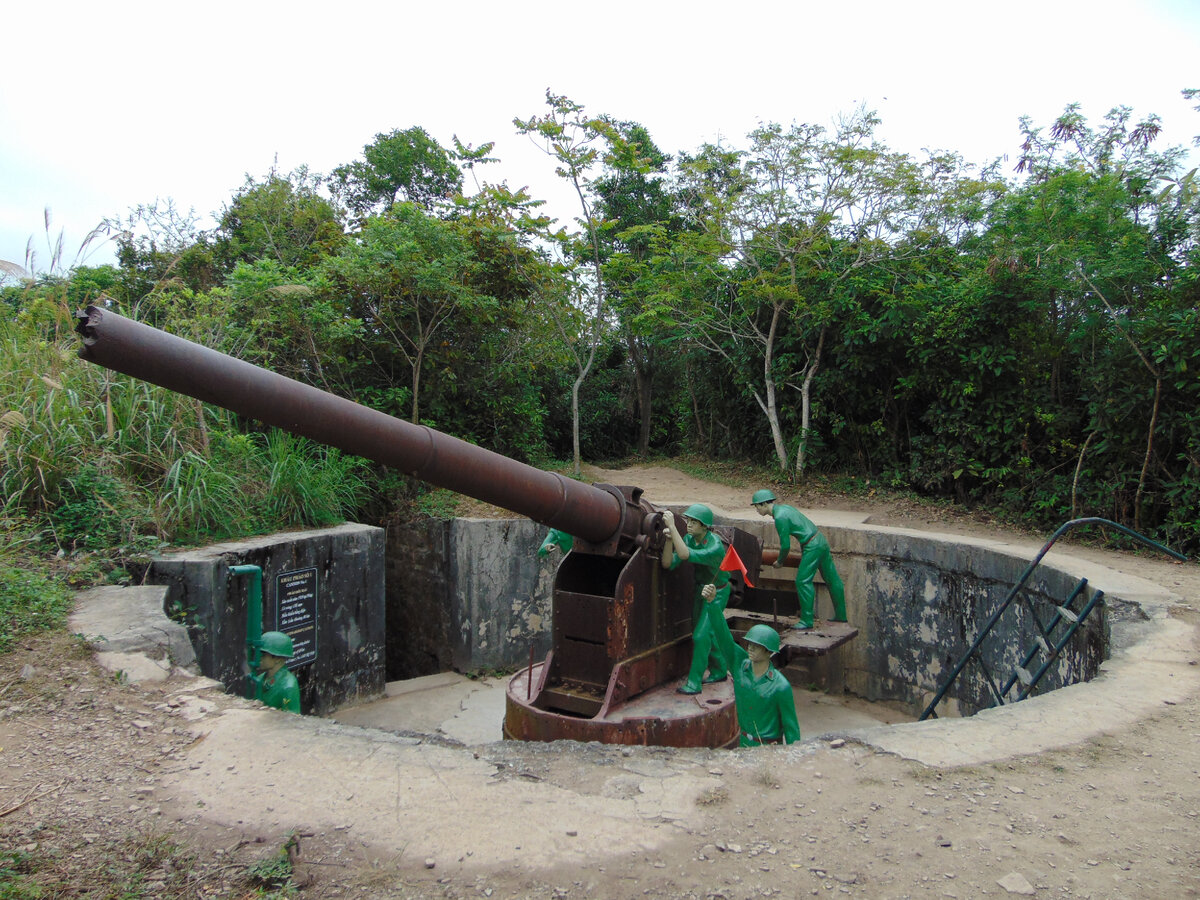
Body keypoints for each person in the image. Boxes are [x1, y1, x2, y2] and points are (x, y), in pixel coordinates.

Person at [705, 596, 800, 746]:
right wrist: (712, 604)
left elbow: (791, 729)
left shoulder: (781, 687)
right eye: (750, 643)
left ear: (769, 651)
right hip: (743, 745)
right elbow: (724, 638)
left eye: (757, 645)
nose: (750, 647)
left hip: (769, 750)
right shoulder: (740, 667)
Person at [752, 489, 847, 630]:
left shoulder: (780, 517)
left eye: (757, 506)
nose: (756, 510)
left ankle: (807, 620)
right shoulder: (785, 508)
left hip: (812, 546)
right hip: (819, 540)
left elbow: (785, 546)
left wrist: (780, 561)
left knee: (802, 581)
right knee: (832, 579)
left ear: (764, 504)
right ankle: (841, 615)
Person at [661, 503, 730, 694]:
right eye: (688, 521)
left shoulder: (715, 546)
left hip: (717, 593)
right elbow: (668, 563)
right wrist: (669, 540)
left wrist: (673, 527)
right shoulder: (689, 539)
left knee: (700, 636)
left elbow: (683, 554)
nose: (689, 525)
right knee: (705, 632)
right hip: (701, 591)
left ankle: (694, 683)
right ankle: (719, 670)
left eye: (694, 522)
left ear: (705, 526)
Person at [251, 631, 301, 713]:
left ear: (277, 659)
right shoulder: (260, 679)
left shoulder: (288, 686)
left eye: (263, 654)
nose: (259, 658)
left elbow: (291, 720)